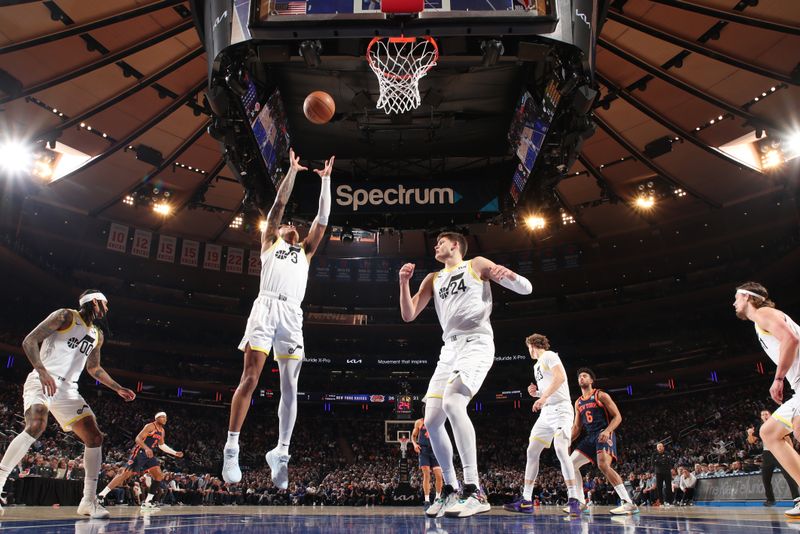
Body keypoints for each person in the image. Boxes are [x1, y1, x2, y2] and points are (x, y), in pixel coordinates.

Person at [399, 232, 532, 518]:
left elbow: (527, 289)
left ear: (455, 245)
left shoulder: (476, 264)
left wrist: (507, 276)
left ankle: (475, 489)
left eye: (440, 242)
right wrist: (403, 282)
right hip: (449, 350)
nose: (436, 246)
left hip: (476, 341)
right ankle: (450, 489)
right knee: (431, 422)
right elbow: (408, 315)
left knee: (453, 403)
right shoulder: (432, 278)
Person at [222, 149, 333, 489]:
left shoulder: (307, 252)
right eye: (289, 225)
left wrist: (325, 182)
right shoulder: (269, 242)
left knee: (291, 387)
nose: (292, 227)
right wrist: (294, 171)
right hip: (266, 307)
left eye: (295, 227)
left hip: (292, 314)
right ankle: (231, 447)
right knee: (250, 378)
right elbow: (278, 208)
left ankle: (281, 453)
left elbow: (322, 220)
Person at [0, 290, 135, 518]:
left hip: (68, 390)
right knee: (36, 425)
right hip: (44, 379)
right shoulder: (65, 316)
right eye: (106, 304)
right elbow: (29, 340)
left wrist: (117, 387)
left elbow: (94, 368)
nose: (108, 309)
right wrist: (41, 370)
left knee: (95, 437)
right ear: (94, 302)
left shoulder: (97, 334)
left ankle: (88, 501)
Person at [734, 282, 800, 517]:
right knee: (769, 433)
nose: (734, 303)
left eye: (736, 298)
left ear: (746, 296)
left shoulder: (763, 313)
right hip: (798, 386)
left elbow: (792, 339)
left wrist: (778, 378)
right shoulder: (761, 320)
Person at [504, 334, 583, 516]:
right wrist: (537, 393)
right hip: (547, 412)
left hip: (561, 410)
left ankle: (574, 500)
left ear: (532, 345)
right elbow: (549, 386)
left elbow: (560, 378)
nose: (528, 351)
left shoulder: (549, 356)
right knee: (532, 451)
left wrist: (544, 397)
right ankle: (526, 500)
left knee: (561, 450)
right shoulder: (537, 365)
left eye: (528, 347)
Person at [567, 368, 638, 515]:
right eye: (579, 376)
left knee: (603, 465)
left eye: (585, 376)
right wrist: (567, 441)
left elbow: (617, 416)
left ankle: (628, 503)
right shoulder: (578, 402)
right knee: (570, 464)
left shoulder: (600, 395)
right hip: (590, 437)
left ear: (591, 380)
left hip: (604, 432)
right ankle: (581, 503)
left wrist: (607, 431)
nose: (581, 378)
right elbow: (576, 427)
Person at [97, 412, 184, 510]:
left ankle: (147, 502)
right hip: (140, 451)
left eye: (166, 417)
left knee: (159, 475)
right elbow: (138, 439)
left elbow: (161, 445)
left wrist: (174, 453)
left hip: (149, 454)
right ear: (157, 418)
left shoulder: (162, 431)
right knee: (125, 474)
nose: (165, 419)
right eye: (162, 417)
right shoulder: (150, 426)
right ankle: (100, 496)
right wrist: (146, 448)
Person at [751, 409, 800, 506]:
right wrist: (749, 433)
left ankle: (797, 499)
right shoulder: (760, 427)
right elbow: (751, 441)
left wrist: (791, 451)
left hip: (779, 452)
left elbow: (787, 438)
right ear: (761, 417)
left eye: (766, 414)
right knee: (765, 477)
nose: (764, 416)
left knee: (789, 475)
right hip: (767, 453)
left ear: (770, 415)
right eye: (762, 414)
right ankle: (770, 499)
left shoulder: (776, 423)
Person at [411, 417, 443, 510]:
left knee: (439, 475)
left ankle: (437, 498)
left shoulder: (437, 420)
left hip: (435, 450)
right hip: (423, 450)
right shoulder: (419, 422)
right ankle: (427, 500)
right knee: (426, 474)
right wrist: (415, 444)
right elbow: (413, 436)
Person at [653, 442, 674, 506]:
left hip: (667, 472)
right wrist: (662, 461)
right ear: (657, 448)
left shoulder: (667, 453)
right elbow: (653, 463)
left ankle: (670, 502)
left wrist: (658, 461)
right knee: (659, 488)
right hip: (658, 473)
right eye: (658, 447)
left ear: (663, 447)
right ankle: (661, 502)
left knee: (668, 487)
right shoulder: (654, 454)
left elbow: (669, 462)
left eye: (661, 446)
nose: (659, 448)